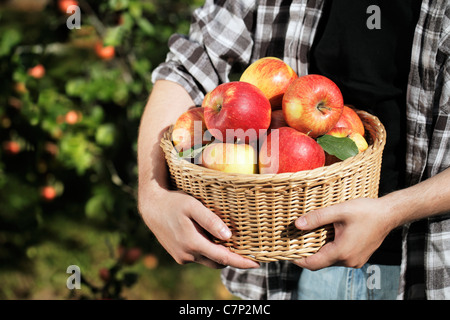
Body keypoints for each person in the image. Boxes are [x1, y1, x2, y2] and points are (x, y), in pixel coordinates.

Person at [137, 0, 450, 300]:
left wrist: (392, 212)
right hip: (279, 261)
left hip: (426, 263)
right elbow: (188, 66)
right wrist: (152, 195)